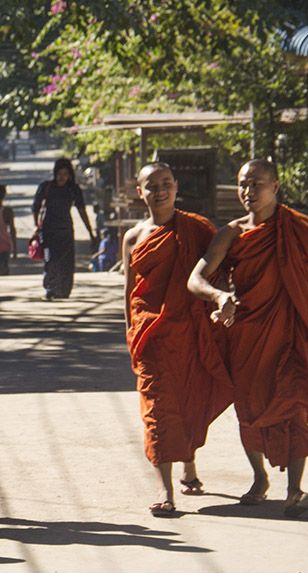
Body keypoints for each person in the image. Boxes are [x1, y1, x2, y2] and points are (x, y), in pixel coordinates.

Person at [187, 159, 308, 518]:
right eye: (243, 184)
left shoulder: (300, 228)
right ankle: (259, 477)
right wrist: (218, 296)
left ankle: (295, 491)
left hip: (293, 330)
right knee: (251, 410)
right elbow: (195, 279)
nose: (248, 191)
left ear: (275, 186)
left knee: (294, 406)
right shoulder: (232, 233)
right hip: (248, 334)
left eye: (256, 184)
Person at [122, 163, 233, 517]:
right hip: (151, 334)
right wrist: (131, 332)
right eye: (151, 185)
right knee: (157, 409)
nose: (160, 191)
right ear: (139, 192)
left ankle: (189, 464)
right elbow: (130, 292)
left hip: (190, 331)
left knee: (188, 400)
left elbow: (221, 270)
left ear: (176, 187)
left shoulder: (197, 229)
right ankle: (164, 489)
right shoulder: (133, 237)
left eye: (166, 184)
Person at [32, 157, 94, 300]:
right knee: (50, 259)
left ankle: (64, 290)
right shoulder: (46, 187)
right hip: (48, 230)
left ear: (69, 175)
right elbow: (35, 206)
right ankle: (50, 288)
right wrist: (37, 226)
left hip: (65, 229)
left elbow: (82, 210)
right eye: (59, 174)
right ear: (55, 173)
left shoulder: (73, 189)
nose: (62, 177)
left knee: (66, 262)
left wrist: (90, 231)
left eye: (65, 174)